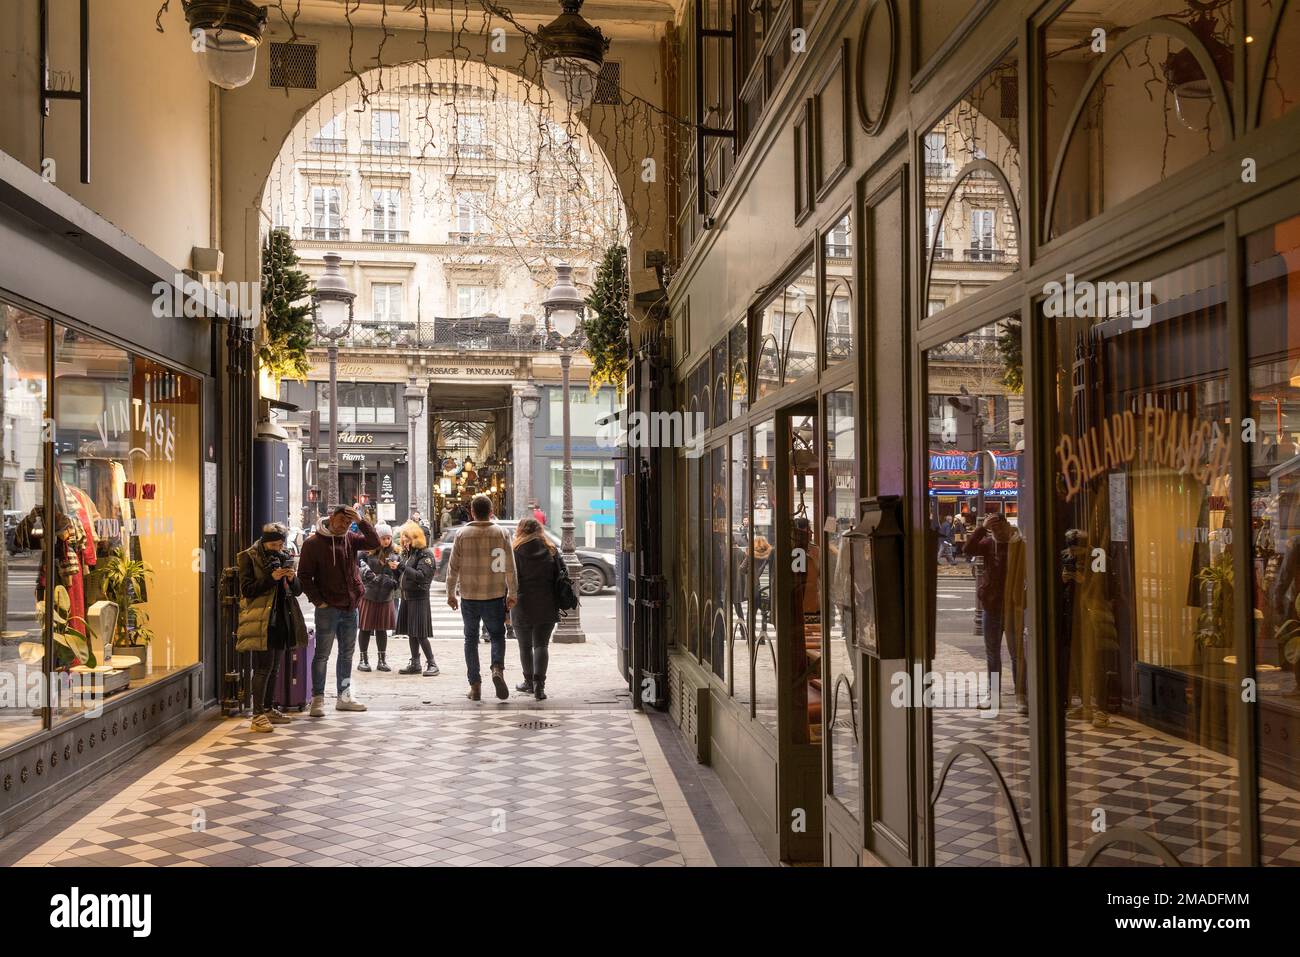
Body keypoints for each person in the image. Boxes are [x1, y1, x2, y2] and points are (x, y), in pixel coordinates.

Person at [298, 504, 380, 717]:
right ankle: (318, 698)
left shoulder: (350, 539)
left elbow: (374, 542)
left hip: (350, 607)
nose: (345, 525)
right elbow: (304, 576)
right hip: (327, 608)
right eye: (342, 521)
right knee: (322, 655)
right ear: (331, 518)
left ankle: (344, 697)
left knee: (346, 654)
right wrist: (318, 601)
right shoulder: (313, 543)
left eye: (349, 522)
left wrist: (361, 521)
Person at [236, 523, 309, 733]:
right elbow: (247, 590)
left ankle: (268, 708)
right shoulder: (248, 557)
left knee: (274, 667)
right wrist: (271, 579)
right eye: (275, 544)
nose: (278, 548)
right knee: (262, 667)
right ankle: (257, 714)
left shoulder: (283, 556)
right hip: (262, 620)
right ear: (265, 542)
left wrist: (291, 578)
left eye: (280, 544)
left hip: (282, 618)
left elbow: (297, 591)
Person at [446, 493, 518, 701]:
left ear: (472, 512)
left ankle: (475, 685)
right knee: (497, 635)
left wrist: (451, 593)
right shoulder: (502, 533)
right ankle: (497, 668)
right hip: (495, 594)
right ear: (491, 511)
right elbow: (510, 567)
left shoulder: (461, 534)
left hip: (469, 596)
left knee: (470, 639)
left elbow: (453, 568)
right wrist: (512, 593)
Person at [964, 512, 1026, 712]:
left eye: (1000, 528)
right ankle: (994, 694)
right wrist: (981, 528)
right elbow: (968, 549)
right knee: (992, 652)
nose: (997, 532)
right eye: (993, 529)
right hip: (992, 605)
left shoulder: (1019, 545)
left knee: (1016, 653)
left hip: (1013, 605)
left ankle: (1021, 695)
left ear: (1007, 525)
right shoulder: (989, 544)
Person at [510, 517, 561, 700]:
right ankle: (540, 687)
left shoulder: (515, 550)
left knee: (525, 646)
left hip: (522, 604)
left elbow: (510, 578)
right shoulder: (551, 549)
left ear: (521, 530)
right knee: (541, 645)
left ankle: (529, 683)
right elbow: (561, 575)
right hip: (547, 602)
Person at [395, 522, 440, 676]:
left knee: (420, 633)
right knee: (411, 632)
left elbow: (421, 576)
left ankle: (432, 663)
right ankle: (415, 662)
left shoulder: (425, 554)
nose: (404, 542)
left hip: (419, 597)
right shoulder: (409, 554)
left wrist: (402, 567)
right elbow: (404, 576)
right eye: (403, 539)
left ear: (415, 538)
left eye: (407, 539)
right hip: (407, 597)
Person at [358, 523, 399, 673]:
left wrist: (394, 581)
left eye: (388, 538)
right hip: (368, 595)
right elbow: (358, 567)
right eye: (383, 538)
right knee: (365, 628)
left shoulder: (394, 553)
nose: (386, 541)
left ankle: (382, 660)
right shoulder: (366, 553)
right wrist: (368, 574)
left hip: (385, 596)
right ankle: (363, 659)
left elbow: (398, 574)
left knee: (381, 629)